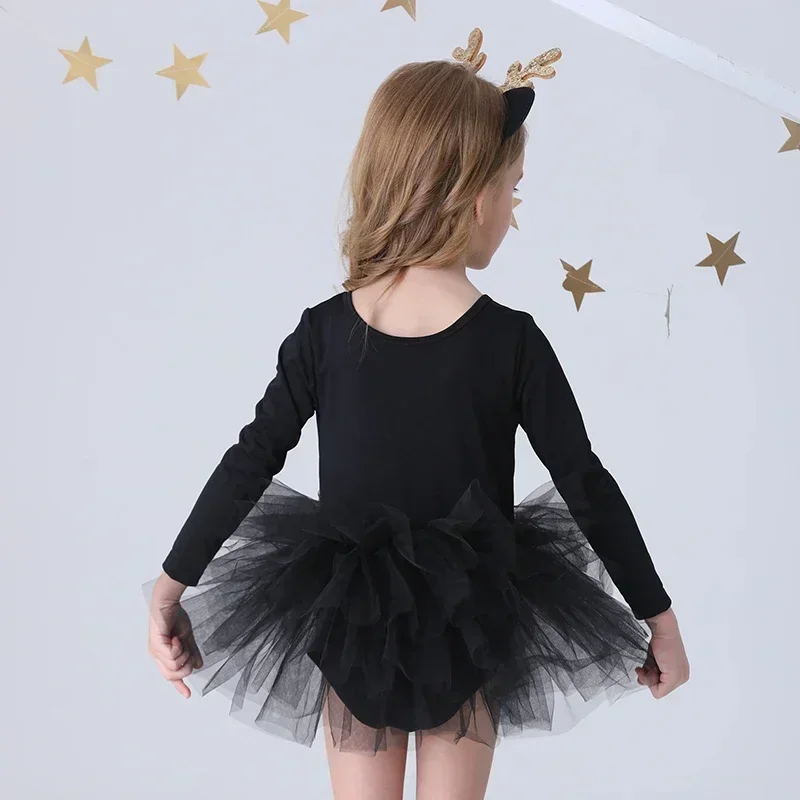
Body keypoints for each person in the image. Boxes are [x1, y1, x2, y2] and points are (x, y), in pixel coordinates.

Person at [146, 31, 689, 800]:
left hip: (353, 620)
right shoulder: (510, 341)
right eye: (514, 190)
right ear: (474, 195)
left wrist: (171, 586)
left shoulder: (324, 334)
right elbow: (583, 483)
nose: (514, 211)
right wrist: (657, 616)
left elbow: (251, 459)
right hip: (472, 620)